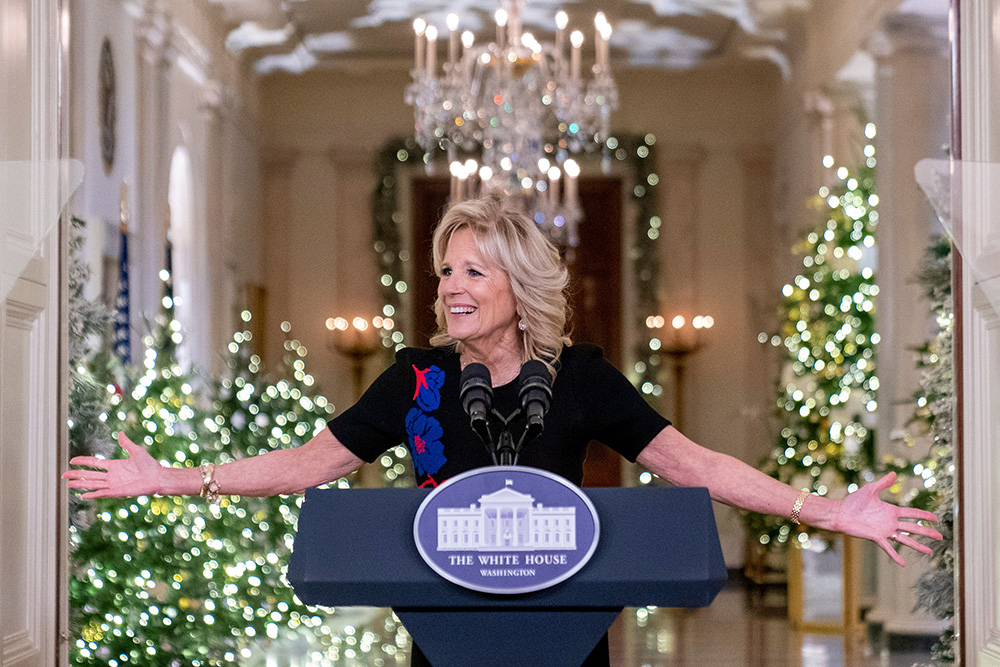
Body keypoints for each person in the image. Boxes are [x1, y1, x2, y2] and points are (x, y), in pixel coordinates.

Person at [65, 194, 940, 666]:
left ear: (517, 286)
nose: (449, 284)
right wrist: (170, 477)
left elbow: (691, 462)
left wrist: (824, 510)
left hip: (565, 634)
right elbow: (307, 464)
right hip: (447, 635)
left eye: (472, 269)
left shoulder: (585, 376)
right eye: (445, 268)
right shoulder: (416, 376)